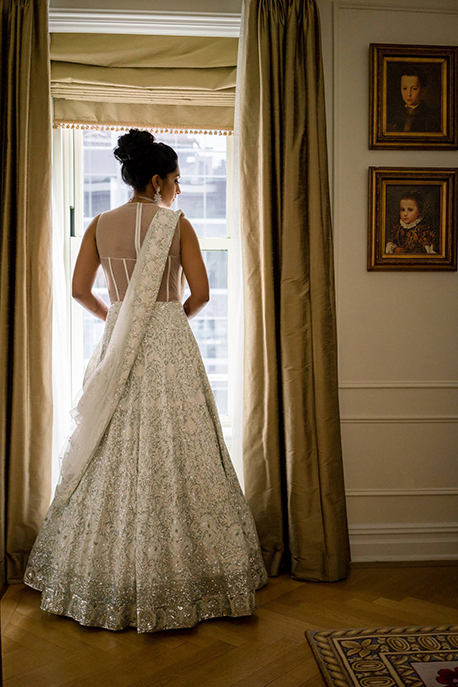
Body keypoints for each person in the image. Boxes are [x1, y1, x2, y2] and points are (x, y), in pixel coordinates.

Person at [23, 128, 268, 633]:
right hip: (168, 340)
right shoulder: (175, 224)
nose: (179, 189)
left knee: (109, 449)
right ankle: (192, 578)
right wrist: (168, 319)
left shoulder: (99, 223)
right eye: (176, 180)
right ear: (156, 181)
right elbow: (198, 293)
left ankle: (101, 576)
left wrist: (117, 318)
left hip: (119, 339)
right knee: (180, 448)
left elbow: (77, 290)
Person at [387, 66, 441, 133]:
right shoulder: (393, 115)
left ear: (422, 90)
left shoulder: (431, 118)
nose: (409, 94)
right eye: (404, 88)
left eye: (414, 89)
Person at [386, 189, 438, 255]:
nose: (405, 214)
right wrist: (395, 250)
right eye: (402, 210)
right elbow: (390, 245)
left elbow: (429, 252)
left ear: (419, 211)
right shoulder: (397, 229)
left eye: (410, 210)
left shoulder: (424, 230)